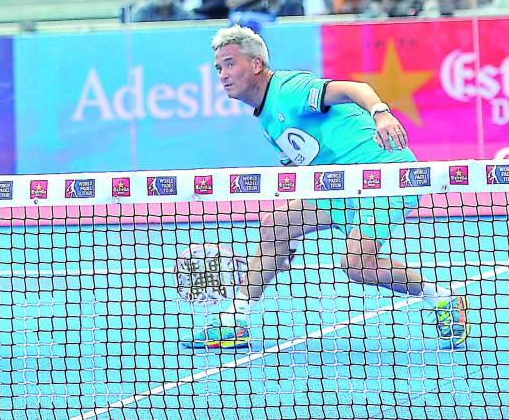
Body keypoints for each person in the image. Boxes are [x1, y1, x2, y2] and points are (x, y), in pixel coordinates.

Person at [184, 25, 469, 350]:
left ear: (256, 65)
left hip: (384, 174)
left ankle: (443, 300)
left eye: (230, 63)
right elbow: (304, 164)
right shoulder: (266, 117)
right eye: (219, 67)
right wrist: (277, 250)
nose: (223, 74)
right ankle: (234, 321)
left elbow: (353, 88)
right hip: (340, 184)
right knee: (275, 227)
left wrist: (381, 114)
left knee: (357, 265)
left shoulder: (289, 89)